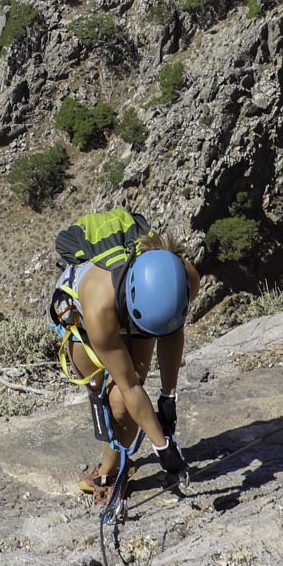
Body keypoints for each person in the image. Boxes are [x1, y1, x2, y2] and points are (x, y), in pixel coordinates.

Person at [48, 216, 198, 507]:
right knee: (101, 393)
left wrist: (169, 397)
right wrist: (162, 447)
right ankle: (111, 464)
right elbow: (129, 385)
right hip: (84, 322)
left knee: (121, 406)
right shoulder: (98, 306)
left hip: (134, 313)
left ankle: (116, 465)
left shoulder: (185, 277)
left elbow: (172, 330)